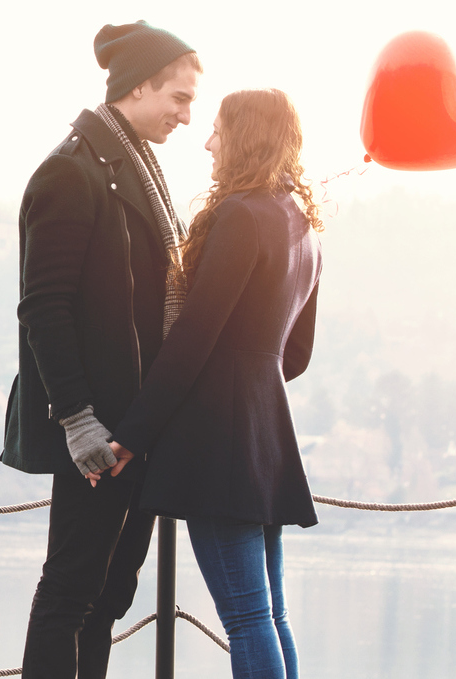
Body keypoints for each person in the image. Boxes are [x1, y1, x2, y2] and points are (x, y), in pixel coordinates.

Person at [99, 88, 324, 679]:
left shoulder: (239, 216)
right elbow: (295, 355)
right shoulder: (301, 222)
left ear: (245, 137)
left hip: (217, 442)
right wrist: (252, 374)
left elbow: (193, 338)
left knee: (247, 616)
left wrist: (131, 437)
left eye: (218, 132)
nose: (207, 143)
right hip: (266, 436)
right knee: (271, 613)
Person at [0, 20, 199, 678]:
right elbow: (43, 307)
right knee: (69, 589)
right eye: (178, 97)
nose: (185, 115)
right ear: (138, 86)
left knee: (109, 594)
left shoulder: (136, 166)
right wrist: (77, 417)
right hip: (99, 430)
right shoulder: (68, 172)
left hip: (134, 426)